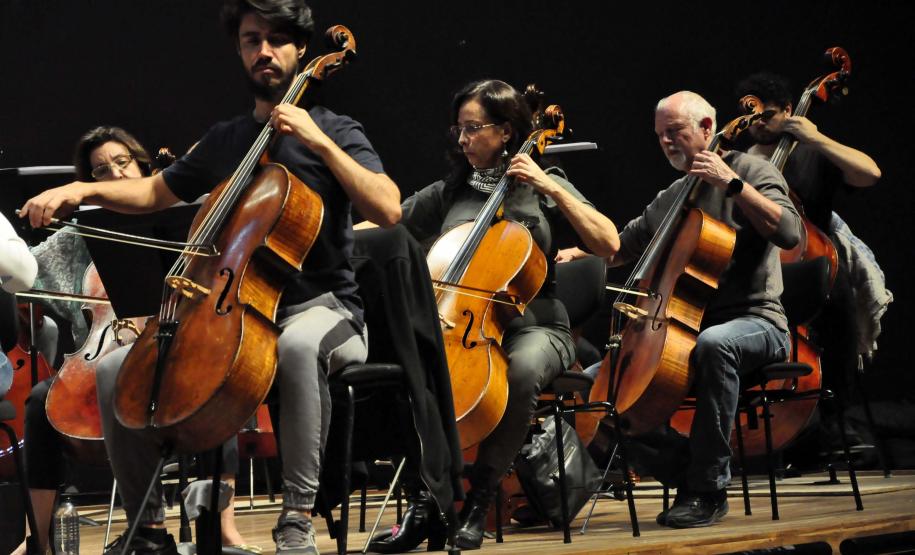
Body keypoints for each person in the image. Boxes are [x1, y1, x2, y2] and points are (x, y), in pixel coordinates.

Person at [20, 0, 402, 550]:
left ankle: (296, 520)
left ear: (300, 50)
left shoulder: (338, 129)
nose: (264, 51)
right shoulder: (225, 139)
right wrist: (82, 190)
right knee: (112, 369)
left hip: (322, 309)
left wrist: (316, 139)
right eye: (251, 40)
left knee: (296, 347)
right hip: (229, 312)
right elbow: (154, 191)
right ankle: (147, 528)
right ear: (240, 50)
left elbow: (389, 208)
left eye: (276, 40)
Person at [366, 79, 618, 551]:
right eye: (458, 130)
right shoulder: (449, 192)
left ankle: (479, 501)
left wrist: (548, 184)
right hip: (464, 325)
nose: (461, 140)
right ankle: (425, 504)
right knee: (409, 373)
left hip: (539, 326)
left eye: (472, 129)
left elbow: (608, 242)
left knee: (519, 373)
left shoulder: (546, 186)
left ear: (505, 131)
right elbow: (388, 220)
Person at [13, 126, 256, 555]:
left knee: (213, 381)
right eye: (100, 170)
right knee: (38, 402)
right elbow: (25, 269)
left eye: (122, 162)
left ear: (144, 165)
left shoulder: (187, 214)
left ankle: (224, 526)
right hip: (111, 349)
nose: (115, 175)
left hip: (177, 346)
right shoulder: (81, 234)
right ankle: (41, 540)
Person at [610, 91, 802, 528]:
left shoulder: (752, 170)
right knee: (599, 386)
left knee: (715, 346)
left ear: (708, 128)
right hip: (684, 331)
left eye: (674, 131)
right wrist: (574, 251)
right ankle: (687, 467)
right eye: (659, 135)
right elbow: (621, 247)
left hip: (757, 322)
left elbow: (790, 233)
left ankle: (708, 488)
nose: (666, 142)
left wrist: (731, 185)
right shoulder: (674, 195)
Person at [735, 72, 883, 430]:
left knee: (837, 302)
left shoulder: (812, 154)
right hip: (758, 267)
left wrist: (815, 137)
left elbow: (870, 173)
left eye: (767, 115)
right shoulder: (741, 162)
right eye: (751, 117)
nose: (758, 124)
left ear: (789, 110)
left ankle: (837, 423)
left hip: (812, 263)